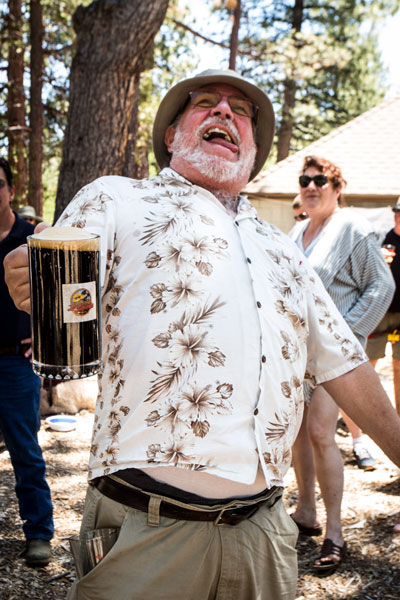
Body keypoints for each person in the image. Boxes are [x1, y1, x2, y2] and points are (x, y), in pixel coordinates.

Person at [4, 70, 400, 600]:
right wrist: (31, 275)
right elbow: (67, 277)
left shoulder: (282, 248)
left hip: (264, 536)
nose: (224, 113)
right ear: (171, 136)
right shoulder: (118, 201)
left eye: (241, 112)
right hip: (146, 532)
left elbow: (344, 363)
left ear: (254, 149)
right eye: (205, 104)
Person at [289, 155, 395, 574]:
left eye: (321, 180)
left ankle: (334, 530)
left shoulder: (353, 228)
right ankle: (305, 511)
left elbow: (381, 285)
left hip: (333, 356)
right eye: (305, 180)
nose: (311, 186)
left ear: (337, 188)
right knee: (297, 433)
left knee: (320, 433)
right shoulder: (297, 230)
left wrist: (349, 336)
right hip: (297, 355)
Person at [0, 157, 54, 567]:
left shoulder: (32, 236)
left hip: (16, 364)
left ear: (11, 191)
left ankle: (38, 534)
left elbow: (65, 289)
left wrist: (45, 333)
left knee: (26, 452)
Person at [367, 196, 400, 419]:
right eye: (396, 212)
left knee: (398, 367)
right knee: (368, 366)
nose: (398, 216)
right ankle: (368, 416)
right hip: (382, 312)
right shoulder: (384, 240)